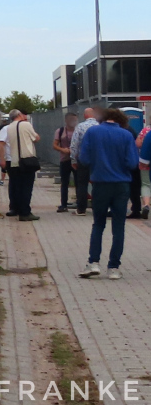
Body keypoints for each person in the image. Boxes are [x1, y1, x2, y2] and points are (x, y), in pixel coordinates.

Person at [78, 107, 139, 280]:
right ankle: (113, 267)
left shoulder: (93, 132)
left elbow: (84, 159)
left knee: (98, 224)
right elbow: (133, 162)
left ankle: (94, 262)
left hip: (100, 183)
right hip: (121, 185)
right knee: (119, 227)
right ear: (120, 119)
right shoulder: (127, 135)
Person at [3, 109, 40, 221]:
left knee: (18, 187)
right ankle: (25, 212)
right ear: (19, 115)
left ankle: (18, 208)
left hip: (14, 161)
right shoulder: (26, 124)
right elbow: (36, 138)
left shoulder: (9, 127)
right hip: (26, 160)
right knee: (27, 187)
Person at [70, 107, 101, 215]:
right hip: (98, 159)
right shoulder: (100, 126)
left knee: (82, 184)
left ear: (85, 115)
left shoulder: (80, 127)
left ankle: (81, 209)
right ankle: (98, 206)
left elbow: (74, 144)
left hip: (83, 159)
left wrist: (73, 159)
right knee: (98, 183)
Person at [52, 112, 78, 212]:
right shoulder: (60, 131)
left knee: (78, 182)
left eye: (75, 120)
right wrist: (63, 149)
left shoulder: (78, 130)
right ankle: (63, 204)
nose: (73, 122)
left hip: (76, 159)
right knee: (64, 182)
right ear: (66, 120)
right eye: (71, 119)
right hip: (65, 160)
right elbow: (54, 145)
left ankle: (79, 203)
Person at [127, 109, 146, 219]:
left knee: (132, 188)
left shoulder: (126, 131)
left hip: (131, 163)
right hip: (135, 162)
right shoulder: (130, 130)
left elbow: (136, 144)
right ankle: (137, 209)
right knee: (135, 187)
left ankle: (136, 209)